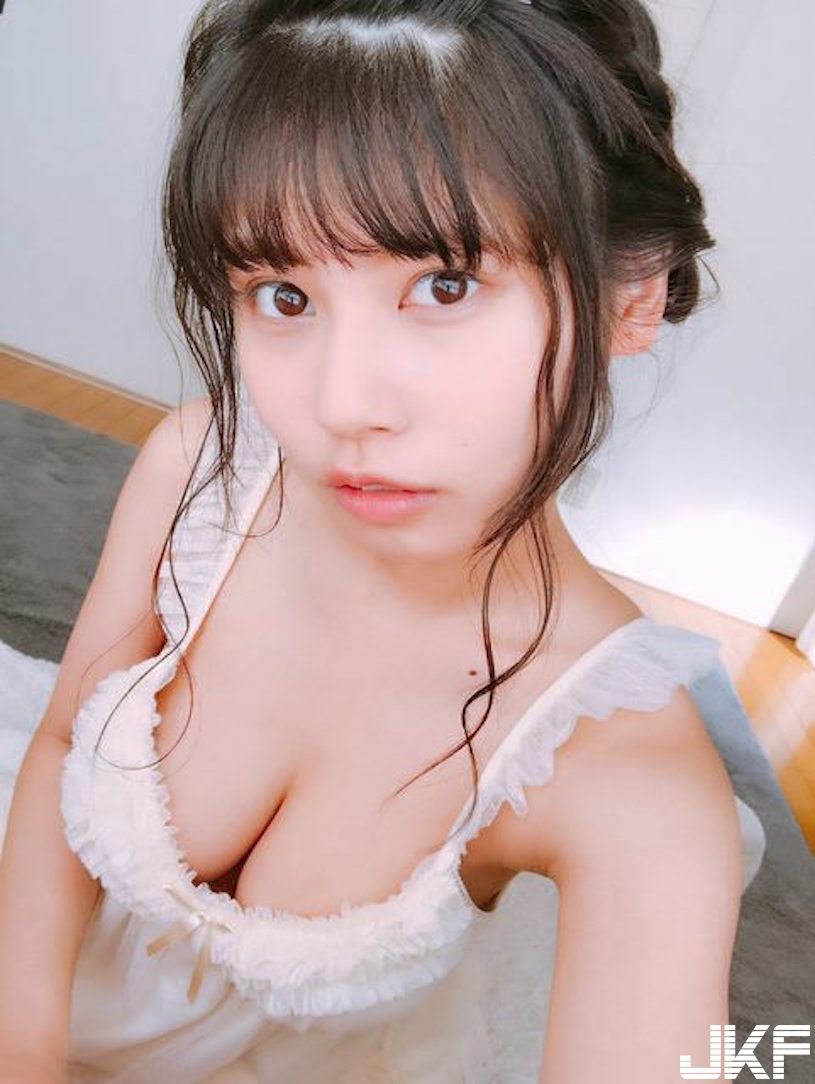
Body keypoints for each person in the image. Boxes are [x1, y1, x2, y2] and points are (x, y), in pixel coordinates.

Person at [0, 0, 768, 1080]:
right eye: (282, 294)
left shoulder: (631, 779)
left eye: (443, 286)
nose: (342, 403)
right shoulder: (201, 471)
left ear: (630, 298)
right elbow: (58, 745)